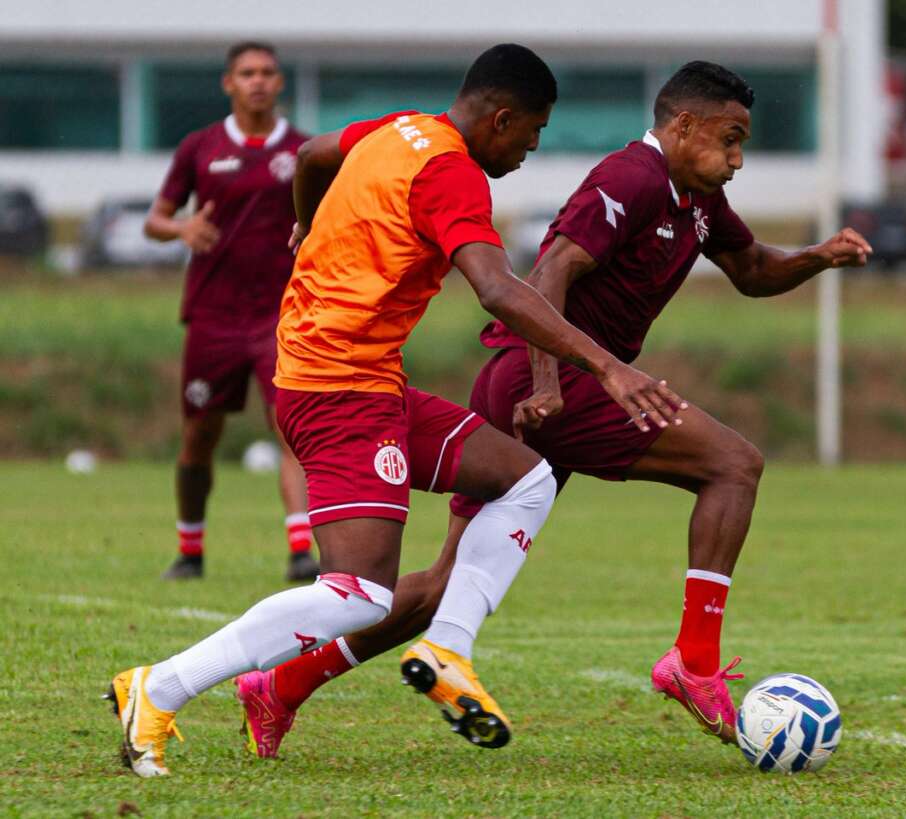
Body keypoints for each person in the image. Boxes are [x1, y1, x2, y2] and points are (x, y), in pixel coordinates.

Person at [233, 60, 873, 758]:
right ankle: (693, 662)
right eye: (730, 138)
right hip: (551, 386)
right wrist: (549, 382)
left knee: (443, 585)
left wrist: (818, 256)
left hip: (560, 386)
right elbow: (549, 270)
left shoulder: (698, 200)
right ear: (683, 126)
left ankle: (281, 687)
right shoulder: (631, 177)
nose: (736, 159)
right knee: (733, 465)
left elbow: (752, 271)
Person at [107, 43, 683, 778]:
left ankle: (447, 646)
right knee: (358, 595)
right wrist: (606, 365)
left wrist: (305, 225)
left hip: (361, 378)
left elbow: (313, 155)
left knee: (528, 477)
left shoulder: (399, 128)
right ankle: (157, 687)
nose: (531, 150)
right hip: (337, 389)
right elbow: (500, 290)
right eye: (531, 134)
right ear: (501, 118)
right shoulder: (452, 173)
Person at [144, 41, 317, 583]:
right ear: (229, 83)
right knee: (200, 436)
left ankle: (300, 550)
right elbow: (156, 219)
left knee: (289, 428)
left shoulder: (308, 151)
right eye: (247, 73)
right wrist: (181, 228)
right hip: (213, 317)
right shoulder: (200, 147)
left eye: (267, 72)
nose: (258, 81)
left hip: (281, 315)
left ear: (280, 82)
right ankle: (190, 550)